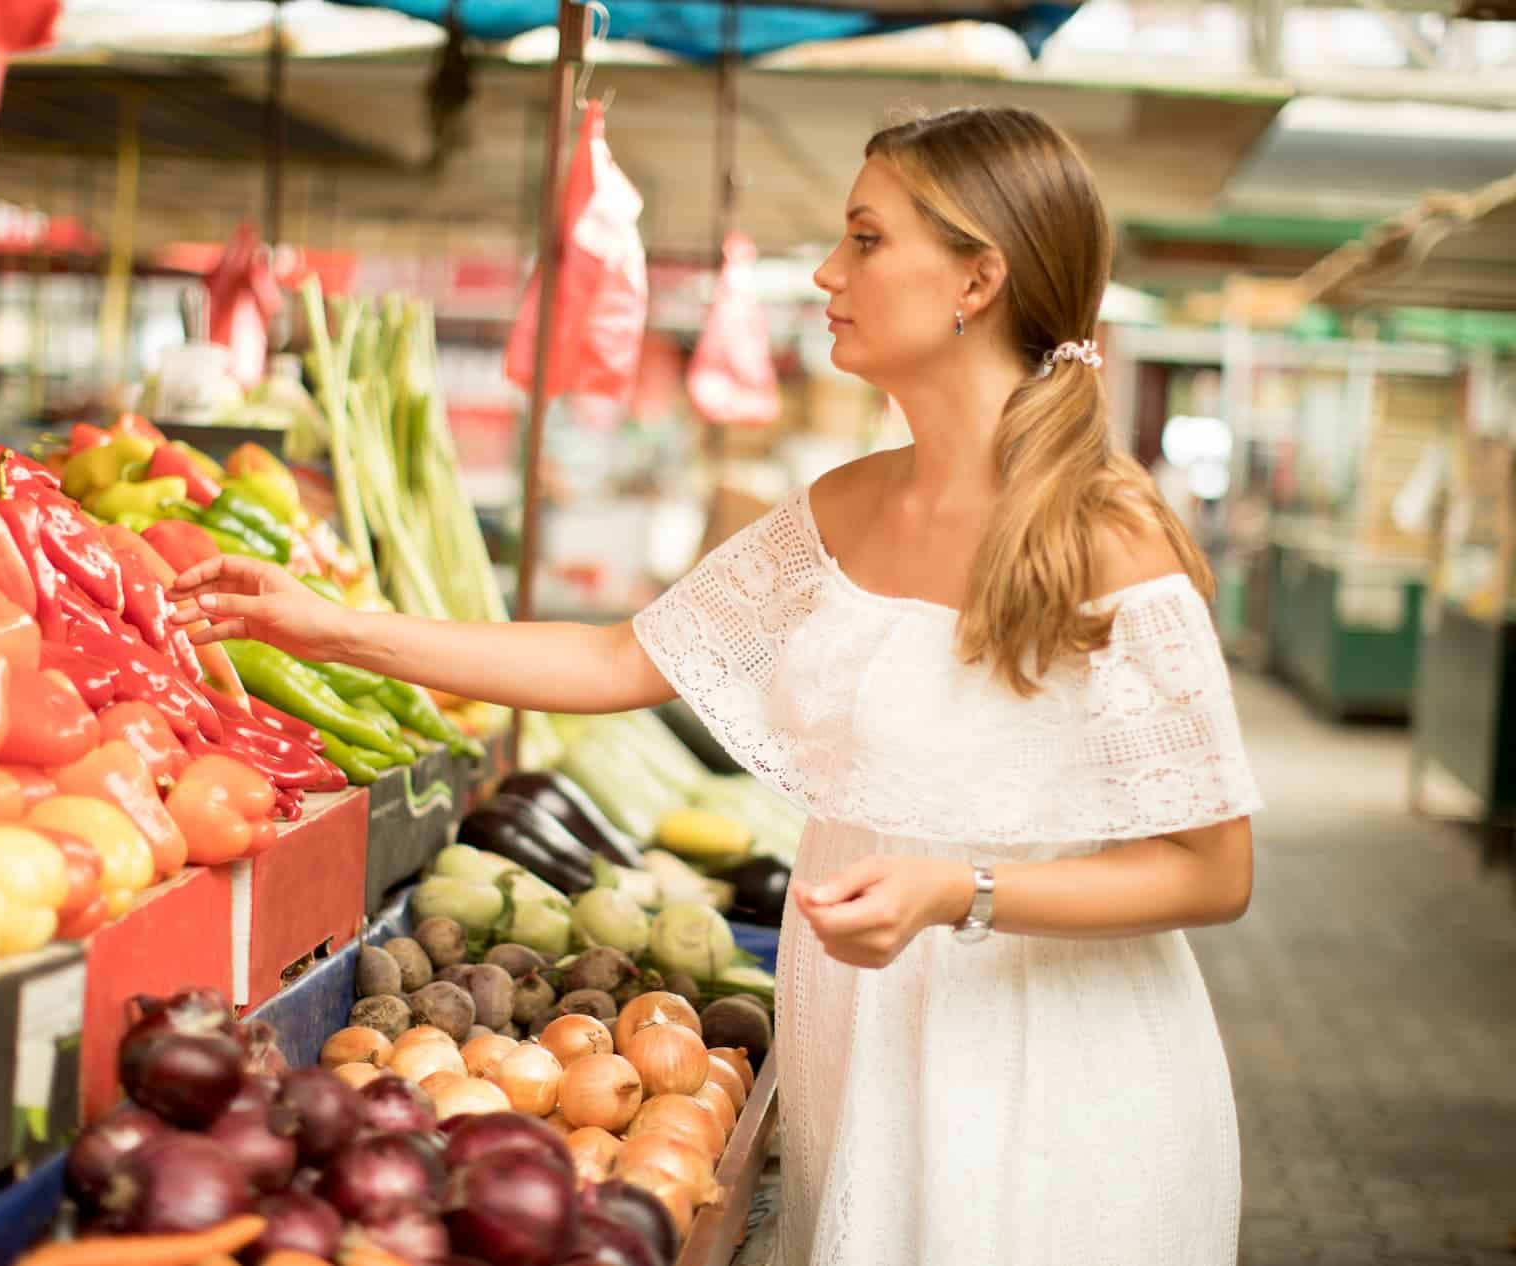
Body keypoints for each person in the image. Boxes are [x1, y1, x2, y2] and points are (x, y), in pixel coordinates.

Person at [172, 105, 1260, 1266]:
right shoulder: (844, 509)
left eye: (867, 239)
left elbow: (1213, 869)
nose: (829, 270)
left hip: (1053, 1081)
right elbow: (616, 659)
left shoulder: (1108, 533)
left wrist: (960, 890)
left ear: (977, 278)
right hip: (871, 1054)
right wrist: (331, 630)